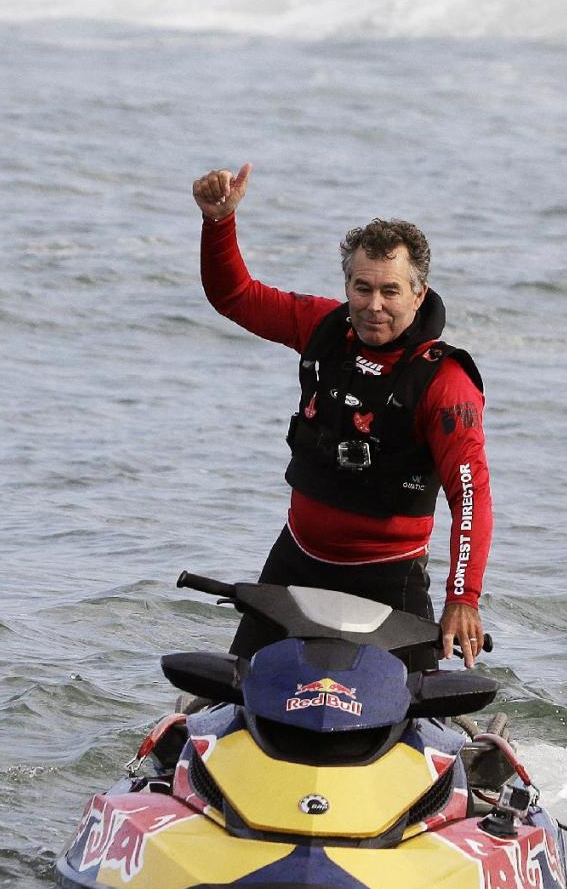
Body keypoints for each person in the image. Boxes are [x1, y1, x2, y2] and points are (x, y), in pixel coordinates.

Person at [192, 163, 492, 668]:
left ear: (419, 294)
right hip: (297, 560)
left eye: (391, 291)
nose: (374, 305)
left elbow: (470, 494)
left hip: (390, 579)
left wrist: (462, 598)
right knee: (238, 697)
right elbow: (234, 297)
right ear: (347, 284)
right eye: (362, 287)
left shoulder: (445, 383)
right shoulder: (322, 328)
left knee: (416, 723)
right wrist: (219, 223)